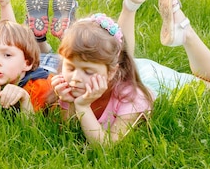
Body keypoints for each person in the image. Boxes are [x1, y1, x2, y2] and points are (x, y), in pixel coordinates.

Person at [51, 13, 155, 145]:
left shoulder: (132, 98)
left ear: (111, 72)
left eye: (88, 72)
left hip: (151, 80)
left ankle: (130, 6)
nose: (76, 78)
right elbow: (69, 133)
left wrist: (83, 107)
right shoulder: (68, 87)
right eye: (70, 68)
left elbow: (107, 147)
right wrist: (69, 103)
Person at [0, 19, 56, 123]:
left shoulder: (41, 86)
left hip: (50, 66)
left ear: (27, 63)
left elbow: (33, 132)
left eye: (7, 55)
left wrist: (25, 99)